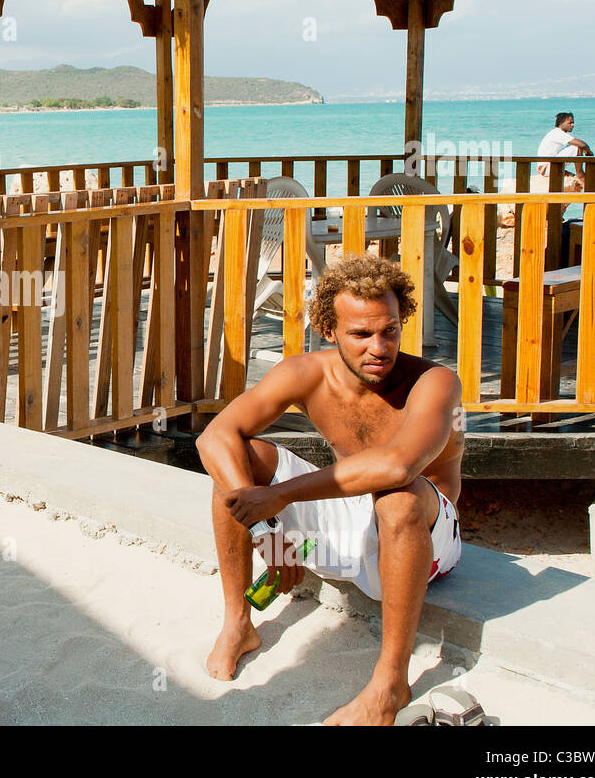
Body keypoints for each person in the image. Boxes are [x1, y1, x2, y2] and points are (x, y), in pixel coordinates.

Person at [196, 254, 464, 725]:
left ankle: (390, 684)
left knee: (397, 495)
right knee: (237, 464)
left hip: (420, 534)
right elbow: (213, 435)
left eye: (390, 331)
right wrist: (268, 530)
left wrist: (281, 498)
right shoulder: (306, 373)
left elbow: (399, 465)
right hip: (348, 519)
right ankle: (239, 623)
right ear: (329, 330)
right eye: (360, 334)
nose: (378, 347)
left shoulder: (434, 382)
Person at [537, 111, 592, 187]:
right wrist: (589, 153)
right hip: (546, 168)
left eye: (573, 123)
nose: (573, 125)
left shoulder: (555, 133)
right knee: (577, 147)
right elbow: (582, 144)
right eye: (570, 123)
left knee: (573, 177)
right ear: (561, 123)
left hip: (546, 167)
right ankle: (580, 174)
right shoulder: (558, 133)